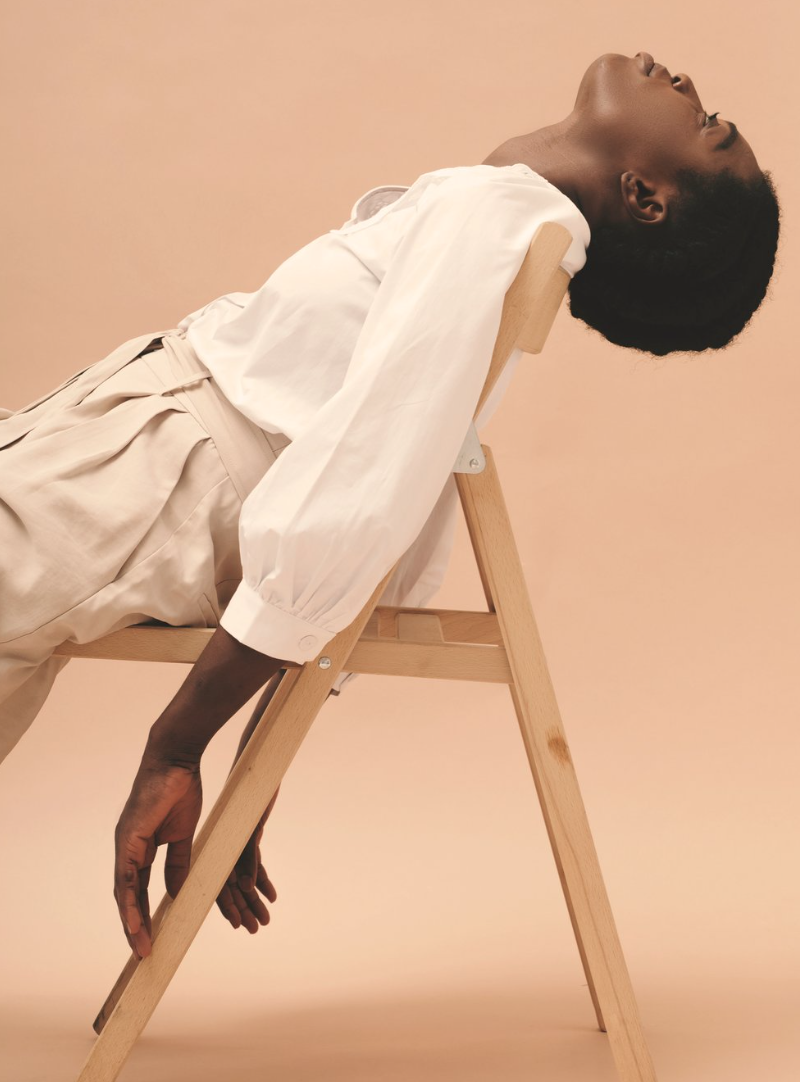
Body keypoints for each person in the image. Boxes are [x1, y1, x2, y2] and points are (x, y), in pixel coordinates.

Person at [0, 51, 780, 962]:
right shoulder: (498, 213)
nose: (684, 83)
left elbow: (369, 485)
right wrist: (260, 754)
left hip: (154, 481)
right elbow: (390, 471)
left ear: (644, 196)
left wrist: (178, 745)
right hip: (136, 448)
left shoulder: (496, 221)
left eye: (707, 125)